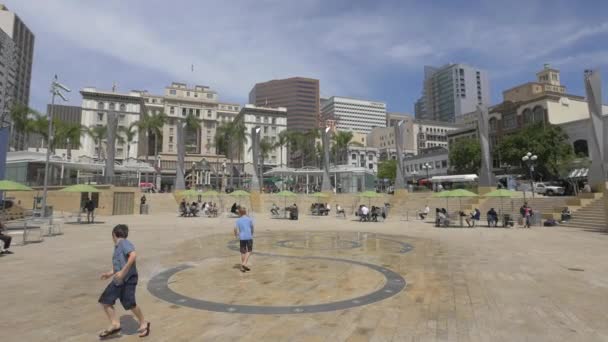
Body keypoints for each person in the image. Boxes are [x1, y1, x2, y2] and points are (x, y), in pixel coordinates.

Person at [98, 224, 150, 338]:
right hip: (118, 280)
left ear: (114, 234)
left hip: (128, 280)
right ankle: (115, 324)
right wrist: (109, 273)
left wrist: (122, 273)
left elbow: (133, 255)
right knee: (105, 300)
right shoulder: (118, 246)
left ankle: (143, 323)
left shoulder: (123, 243)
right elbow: (120, 265)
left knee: (130, 303)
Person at [234, 207, 254, 273]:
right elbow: (252, 227)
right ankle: (244, 263)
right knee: (250, 250)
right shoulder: (249, 219)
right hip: (248, 237)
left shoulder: (238, 220)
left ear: (240, 213)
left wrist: (236, 235)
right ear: (245, 212)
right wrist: (252, 233)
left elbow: (235, 229)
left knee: (243, 251)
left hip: (242, 237)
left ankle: (243, 267)